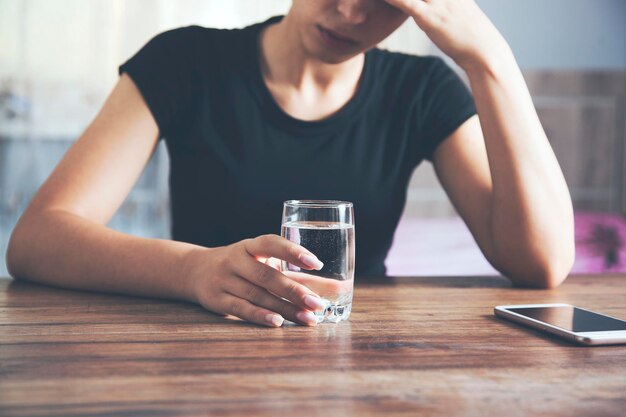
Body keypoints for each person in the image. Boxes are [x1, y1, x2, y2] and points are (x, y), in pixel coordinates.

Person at [6, 0, 575, 328]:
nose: (350, 13)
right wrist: (192, 270)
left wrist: (489, 57)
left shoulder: (421, 90)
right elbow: (36, 239)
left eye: (383, 1)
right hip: (196, 354)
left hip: (355, 365)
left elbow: (541, 264)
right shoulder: (184, 61)